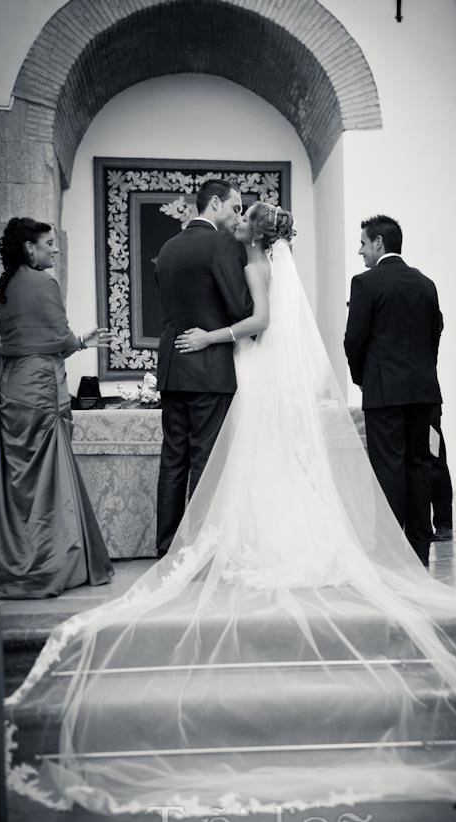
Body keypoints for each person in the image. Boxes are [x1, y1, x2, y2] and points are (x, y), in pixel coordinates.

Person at [5, 207, 456, 819]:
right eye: (235, 213)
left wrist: (215, 337)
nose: (235, 221)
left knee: (249, 463)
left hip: (251, 369)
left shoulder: (256, 262)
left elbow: (261, 320)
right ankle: (350, 542)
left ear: (257, 232)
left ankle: (243, 541)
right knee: (293, 466)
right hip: (303, 376)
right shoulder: (267, 260)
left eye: (244, 218)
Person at [0, 217, 114, 598]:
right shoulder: (44, 283)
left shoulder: (6, 288)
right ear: (29, 248)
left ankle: (8, 557)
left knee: (15, 477)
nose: (55, 249)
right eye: (49, 243)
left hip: (12, 387)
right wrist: (80, 341)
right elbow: (58, 340)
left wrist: (75, 340)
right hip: (39, 387)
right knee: (46, 478)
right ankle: (49, 560)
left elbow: (30, 339)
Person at [154, 179, 253, 558]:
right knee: (206, 459)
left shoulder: (168, 247)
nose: (237, 216)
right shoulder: (221, 244)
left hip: (172, 368)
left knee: (173, 458)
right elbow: (241, 307)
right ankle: (198, 546)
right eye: (235, 207)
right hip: (209, 370)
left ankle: (166, 547)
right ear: (215, 203)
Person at [344, 215, 442, 566]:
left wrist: (362, 378)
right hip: (422, 389)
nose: (360, 251)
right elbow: (435, 333)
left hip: (384, 391)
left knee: (387, 468)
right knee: (419, 466)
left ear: (379, 243)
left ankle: (388, 550)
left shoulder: (365, 283)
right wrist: (423, 372)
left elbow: (353, 339)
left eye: (363, 244)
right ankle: (419, 548)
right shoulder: (425, 283)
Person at [430, 404, 453, 541]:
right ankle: (419, 527)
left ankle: (443, 523)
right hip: (395, 402)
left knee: (435, 461)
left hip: (425, 400)